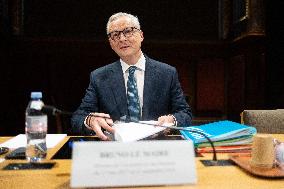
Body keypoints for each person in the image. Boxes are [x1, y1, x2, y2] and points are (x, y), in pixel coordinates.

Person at [71, 12, 192, 140]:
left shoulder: (167, 73)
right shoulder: (99, 77)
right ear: (111, 43)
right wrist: (90, 120)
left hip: (156, 147)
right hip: (115, 148)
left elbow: (185, 113)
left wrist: (172, 120)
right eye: (115, 35)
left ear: (141, 35)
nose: (122, 39)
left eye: (128, 31)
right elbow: (78, 117)